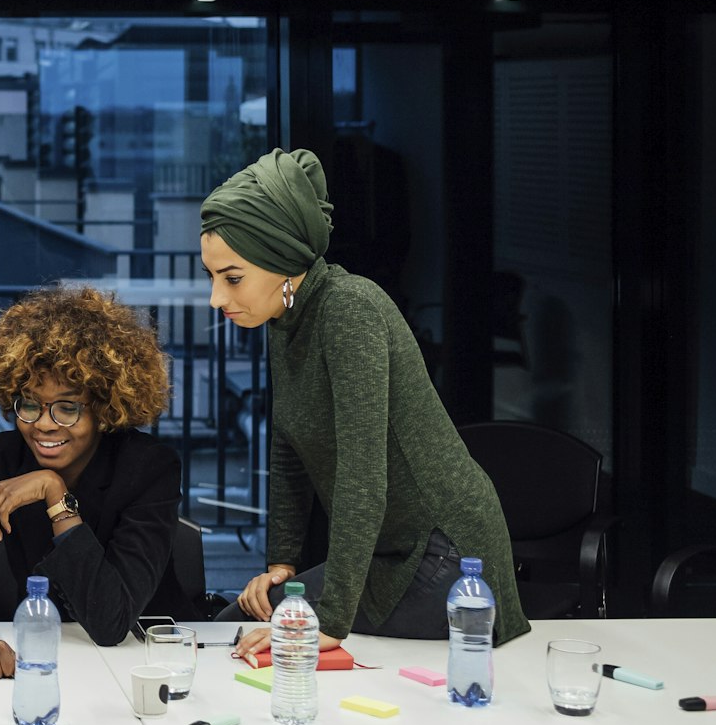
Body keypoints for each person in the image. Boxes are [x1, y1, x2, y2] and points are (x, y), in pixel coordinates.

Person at [201, 148, 529, 655]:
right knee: (237, 624)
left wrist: (329, 623)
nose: (216, 299)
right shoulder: (283, 319)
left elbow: (363, 474)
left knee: (270, 644)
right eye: (213, 277)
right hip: (389, 550)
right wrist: (281, 566)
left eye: (232, 277)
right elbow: (289, 445)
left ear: (283, 262)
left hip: (445, 555)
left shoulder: (349, 309)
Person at [0, 286, 186, 674]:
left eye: (67, 407)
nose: (43, 423)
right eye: (29, 404)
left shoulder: (148, 468)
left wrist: (53, 492)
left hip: (145, 668)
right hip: (39, 658)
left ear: (105, 406)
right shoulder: (2, 458)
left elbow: (111, 623)